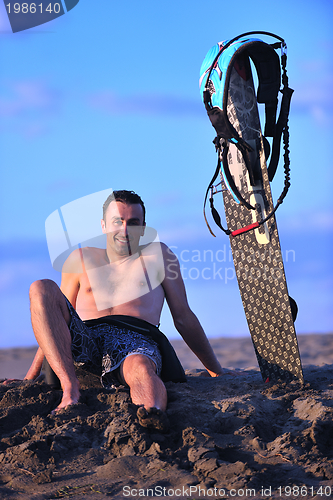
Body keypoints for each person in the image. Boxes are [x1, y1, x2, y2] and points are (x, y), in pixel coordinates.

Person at [18, 190, 224, 431]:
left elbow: (183, 316)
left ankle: (152, 414)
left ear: (144, 227)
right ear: (104, 225)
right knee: (41, 288)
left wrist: (215, 371)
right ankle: (70, 389)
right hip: (87, 339)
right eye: (118, 221)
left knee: (140, 367)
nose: (125, 230)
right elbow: (54, 321)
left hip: (135, 340)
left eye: (133, 223)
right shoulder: (80, 258)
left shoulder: (159, 256)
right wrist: (29, 377)